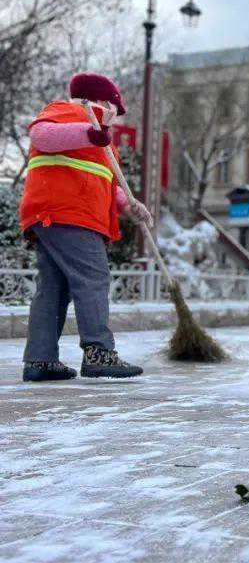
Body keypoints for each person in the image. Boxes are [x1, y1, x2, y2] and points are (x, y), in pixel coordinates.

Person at [19, 73, 152, 382]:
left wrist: (128, 205)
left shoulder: (102, 140)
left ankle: (40, 360)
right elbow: (41, 135)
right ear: (103, 102)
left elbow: (103, 182)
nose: (116, 118)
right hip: (69, 213)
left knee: (54, 288)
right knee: (93, 278)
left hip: (55, 213)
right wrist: (89, 133)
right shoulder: (70, 111)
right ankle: (99, 352)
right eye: (116, 110)